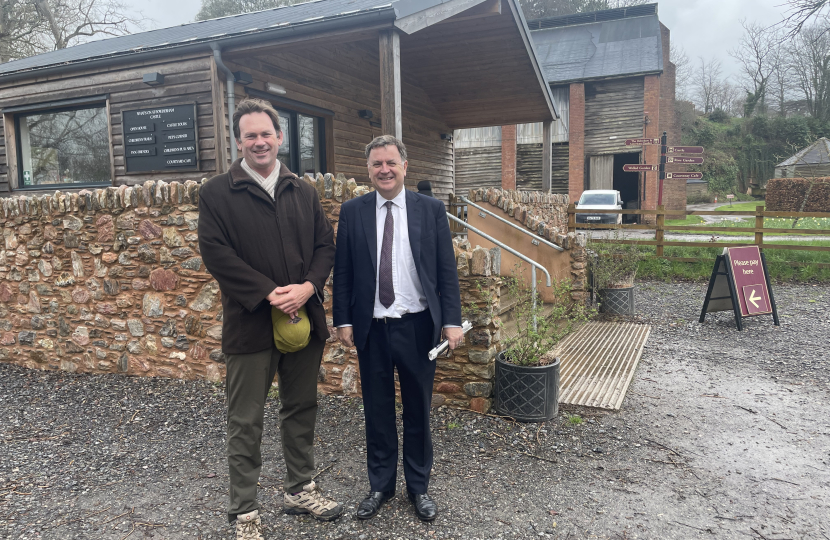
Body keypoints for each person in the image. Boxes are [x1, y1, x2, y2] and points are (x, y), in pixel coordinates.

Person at [198, 98, 343, 540]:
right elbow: (216, 254)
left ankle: (299, 488)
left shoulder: (304, 191)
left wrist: (307, 287)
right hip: (251, 323)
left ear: (280, 138)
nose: (259, 142)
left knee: (301, 407)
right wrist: (266, 292)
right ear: (238, 141)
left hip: (303, 317)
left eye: (266, 134)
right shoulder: (217, 192)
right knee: (245, 419)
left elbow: (325, 247)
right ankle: (244, 511)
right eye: (250, 135)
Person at [332, 135, 463, 522]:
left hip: (418, 326)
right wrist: (343, 319)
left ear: (405, 166)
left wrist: (452, 320)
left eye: (391, 162)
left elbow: (446, 270)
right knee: (377, 409)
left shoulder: (431, 209)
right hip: (371, 328)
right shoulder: (353, 211)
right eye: (376, 164)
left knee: (418, 411)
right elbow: (343, 271)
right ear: (368, 169)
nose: (384, 170)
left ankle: (418, 488)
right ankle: (380, 486)